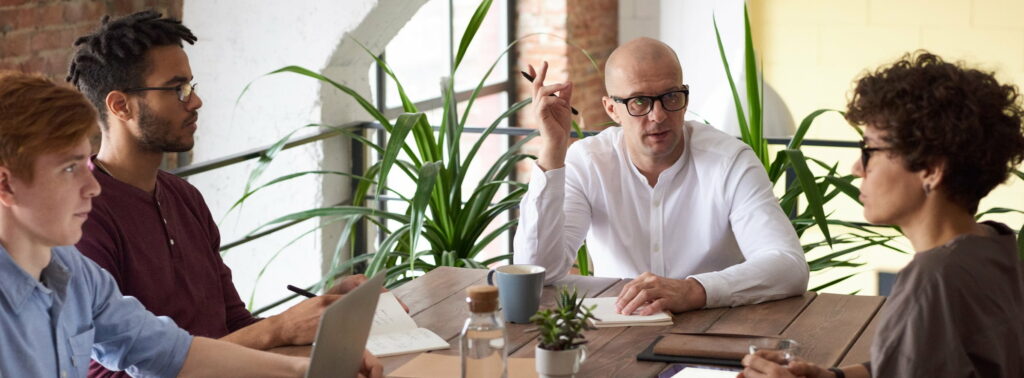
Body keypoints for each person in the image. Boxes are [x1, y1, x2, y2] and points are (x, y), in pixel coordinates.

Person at [0, 71, 384, 378]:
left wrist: (307, 371)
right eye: (69, 169)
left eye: (85, 164)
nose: (92, 186)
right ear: (6, 184)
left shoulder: (74, 272)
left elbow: (171, 354)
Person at [740, 52, 1024, 378]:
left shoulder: (933, 279)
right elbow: (922, 365)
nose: (857, 168)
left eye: (870, 151)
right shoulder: (995, 244)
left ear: (930, 170)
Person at [513, 37, 809, 316]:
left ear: (685, 97)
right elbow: (536, 271)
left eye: (670, 97)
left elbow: (788, 266)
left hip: (714, 327)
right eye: (639, 102)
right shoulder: (589, 162)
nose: (658, 115)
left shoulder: (730, 161)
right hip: (618, 330)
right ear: (612, 109)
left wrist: (693, 290)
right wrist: (552, 150)